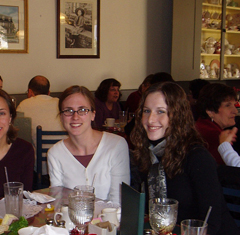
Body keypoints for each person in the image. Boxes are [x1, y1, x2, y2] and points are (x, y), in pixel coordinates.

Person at [130, 81, 238, 235]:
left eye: (161, 111)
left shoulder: (197, 157)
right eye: (146, 111)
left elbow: (212, 224)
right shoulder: (148, 154)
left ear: (178, 115)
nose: (150, 119)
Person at [47, 85, 130, 203]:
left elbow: (119, 202)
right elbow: (59, 202)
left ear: (93, 114)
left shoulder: (116, 146)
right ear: (61, 117)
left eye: (82, 110)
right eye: (68, 111)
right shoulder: (55, 153)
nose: (75, 117)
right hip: (71, 220)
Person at [196, 83, 238, 165]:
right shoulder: (213, 136)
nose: (235, 111)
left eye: (234, 105)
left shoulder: (202, 125)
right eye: (228, 105)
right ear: (210, 111)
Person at [16, 75, 65, 146]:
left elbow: (17, 131)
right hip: (62, 153)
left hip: (38, 155)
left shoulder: (24, 104)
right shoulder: (61, 103)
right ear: (48, 93)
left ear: (30, 92)